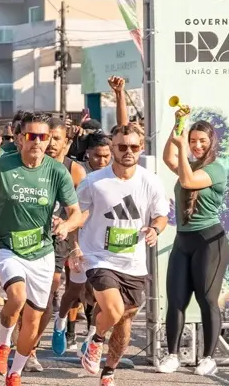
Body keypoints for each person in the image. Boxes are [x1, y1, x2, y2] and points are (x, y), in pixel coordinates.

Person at [0, 112, 83, 386]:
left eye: (42, 137)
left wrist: (67, 226)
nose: (36, 142)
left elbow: (76, 212)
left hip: (42, 252)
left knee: (34, 320)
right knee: (17, 295)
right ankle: (2, 344)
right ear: (20, 138)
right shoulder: (3, 166)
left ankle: (15, 372)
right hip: (7, 246)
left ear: (48, 141)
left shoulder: (57, 172)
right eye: (31, 136)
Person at [76, 123, 168, 383]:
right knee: (114, 311)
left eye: (134, 147)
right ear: (112, 148)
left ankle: (109, 370)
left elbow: (161, 215)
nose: (128, 151)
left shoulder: (150, 181)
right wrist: (73, 246)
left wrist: (154, 229)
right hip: (98, 257)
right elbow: (77, 215)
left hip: (134, 262)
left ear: (141, 149)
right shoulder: (94, 181)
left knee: (125, 319)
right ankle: (95, 340)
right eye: (122, 146)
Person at [157, 109, 229, 376]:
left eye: (202, 141)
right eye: (193, 140)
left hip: (209, 241)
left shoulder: (215, 169)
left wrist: (182, 145)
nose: (197, 145)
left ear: (212, 142)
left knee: (207, 299)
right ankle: (172, 355)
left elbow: (188, 181)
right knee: (176, 300)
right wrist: (177, 126)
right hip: (183, 242)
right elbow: (168, 158)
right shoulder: (190, 162)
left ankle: (209, 358)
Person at [42, 118, 87, 361]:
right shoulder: (33, 164)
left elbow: (84, 209)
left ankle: (62, 323)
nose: (50, 143)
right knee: (46, 292)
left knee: (76, 288)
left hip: (68, 237)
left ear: (67, 143)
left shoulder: (75, 171)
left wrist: (75, 237)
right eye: (46, 137)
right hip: (35, 238)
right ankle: (29, 344)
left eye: (56, 138)